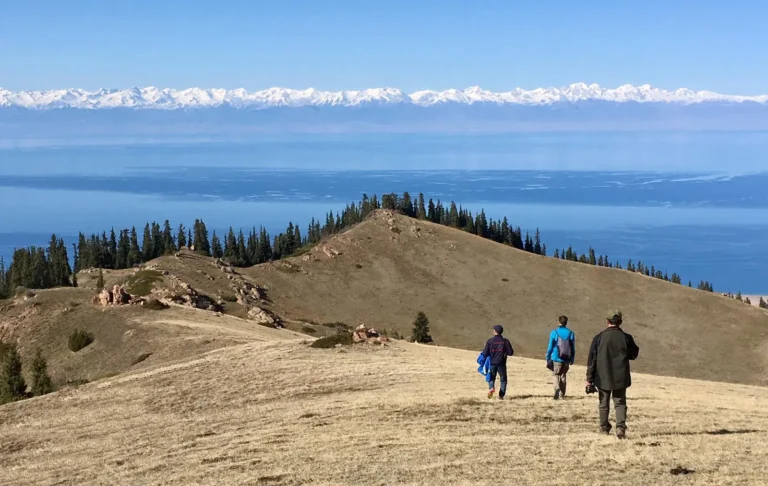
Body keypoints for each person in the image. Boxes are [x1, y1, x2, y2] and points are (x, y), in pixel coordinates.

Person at [586, 310, 640, 439]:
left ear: (607, 321)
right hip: (621, 376)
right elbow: (633, 355)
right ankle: (620, 427)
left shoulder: (599, 337)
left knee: (603, 403)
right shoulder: (626, 337)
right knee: (620, 402)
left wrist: (589, 379)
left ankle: (604, 428)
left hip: (602, 376)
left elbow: (592, 359)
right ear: (620, 322)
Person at [546, 315, 575, 400]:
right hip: (566, 358)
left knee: (555, 374)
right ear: (566, 322)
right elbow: (572, 347)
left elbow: (550, 346)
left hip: (556, 357)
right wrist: (572, 358)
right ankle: (562, 395)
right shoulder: (571, 333)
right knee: (563, 376)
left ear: (559, 322)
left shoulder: (554, 332)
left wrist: (548, 356)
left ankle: (557, 388)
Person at [482, 324, 514, 399]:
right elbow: (511, 353)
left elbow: (484, 353)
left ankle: (491, 388)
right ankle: (501, 395)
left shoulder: (490, 341)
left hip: (492, 363)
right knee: (503, 379)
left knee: (491, 378)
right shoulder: (505, 341)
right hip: (502, 363)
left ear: (495, 331)